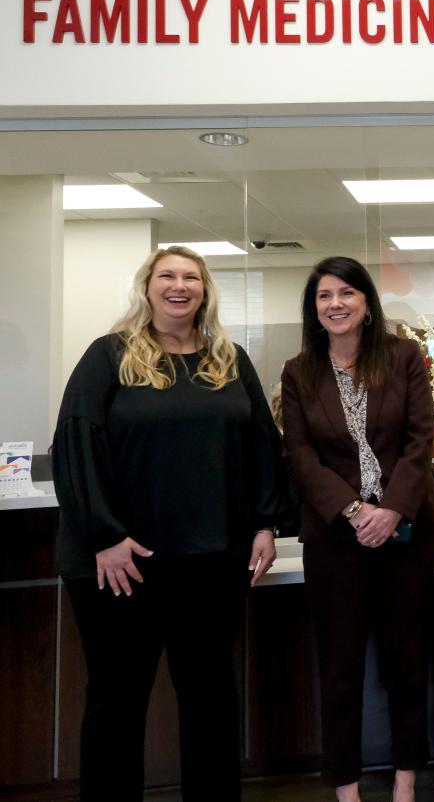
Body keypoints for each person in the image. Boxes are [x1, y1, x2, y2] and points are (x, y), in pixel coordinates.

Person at [53, 245, 285, 802]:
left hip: (209, 561)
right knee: (117, 701)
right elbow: (76, 445)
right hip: (121, 564)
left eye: (191, 277)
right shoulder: (109, 356)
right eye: (167, 276)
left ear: (205, 289)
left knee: (210, 700)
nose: (179, 286)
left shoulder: (227, 360)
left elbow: (261, 446)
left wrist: (265, 524)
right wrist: (105, 535)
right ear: (147, 287)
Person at [281, 256, 434, 802]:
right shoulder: (299, 371)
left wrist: (392, 511)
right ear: (314, 308)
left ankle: (406, 781)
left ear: (366, 303)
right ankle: (346, 788)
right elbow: (301, 455)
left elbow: (419, 439)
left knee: (406, 662)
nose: (336, 303)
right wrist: (355, 512)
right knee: (340, 670)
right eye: (325, 295)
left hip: (407, 534)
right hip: (336, 540)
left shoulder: (402, 357)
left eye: (347, 293)